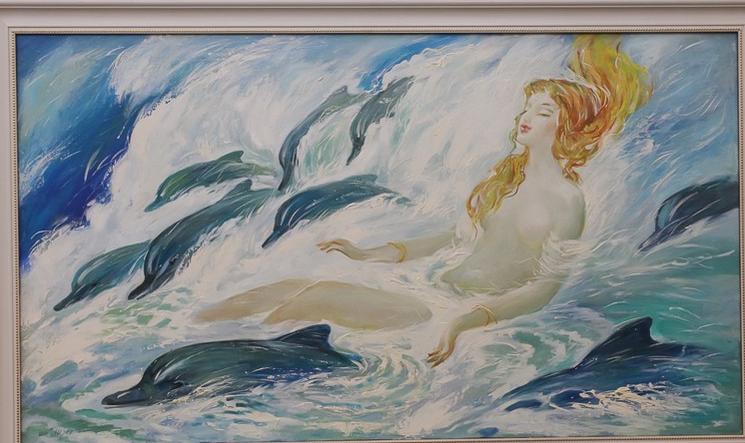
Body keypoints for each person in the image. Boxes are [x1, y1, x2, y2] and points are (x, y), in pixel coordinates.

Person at [198, 35, 652, 366]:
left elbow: (543, 289)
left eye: (542, 111)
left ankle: (226, 360)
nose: (525, 118)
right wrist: (369, 253)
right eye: (526, 108)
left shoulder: (567, 200)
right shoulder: (505, 180)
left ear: (566, 127)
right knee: (285, 287)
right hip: (432, 287)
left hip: (452, 309)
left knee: (318, 296)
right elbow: (452, 238)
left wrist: (465, 322)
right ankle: (190, 329)